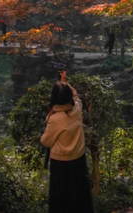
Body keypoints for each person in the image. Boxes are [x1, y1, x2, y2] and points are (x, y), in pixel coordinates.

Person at [40, 74, 94, 213]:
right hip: (78, 159)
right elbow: (76, 97)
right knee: (79, 195)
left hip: (61, 164)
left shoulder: (55, 119)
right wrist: (65, 83)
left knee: (61, 199)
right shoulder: (77, 110)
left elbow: (45, 141)